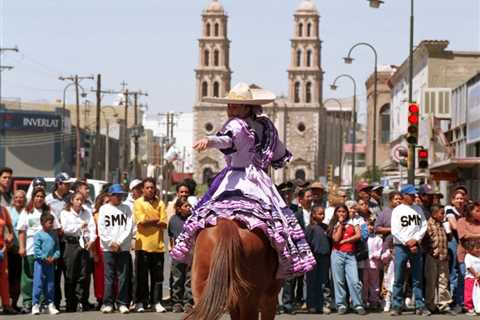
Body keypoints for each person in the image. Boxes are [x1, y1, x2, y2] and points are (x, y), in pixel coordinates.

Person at [171, 83, 315, 281]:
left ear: (247, 107)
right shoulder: (266, 127)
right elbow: (280, 154)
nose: (230, 109)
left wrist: (210, 140)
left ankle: (194, 255)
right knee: (278, 218)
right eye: (230, 105)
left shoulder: (236, 125)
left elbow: (227, 140)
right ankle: (284, 259)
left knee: (204, 213)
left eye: (235, 106)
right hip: (260, 181)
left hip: (235, 178)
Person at [17, 188, 60, 314]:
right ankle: (28, 302)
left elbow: (56, 229)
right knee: (29, 279)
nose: (39, 198)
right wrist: (21, 247)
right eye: (37, 196)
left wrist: (54, 252)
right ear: (33, 197)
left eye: (42, 196)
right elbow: (21, 230)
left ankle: (43, 303)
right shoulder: (27, 211)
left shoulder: (48, 211)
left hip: (48, 253)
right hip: (31, 249)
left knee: (46, 280)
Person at [390, 184, 428, 316]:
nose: (413, 196)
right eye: (411, 194)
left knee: (417, 277)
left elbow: (423, 226)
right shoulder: (397, 210)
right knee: (399, 277)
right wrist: (408, 242)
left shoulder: (418, 209)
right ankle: (397, 305)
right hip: (401, 246)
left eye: (414, 194)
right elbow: (395, 230)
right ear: (404, 195)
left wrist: (416, 240)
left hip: (416, 245)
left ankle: (419, 305)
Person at [133, 178, 168, 313]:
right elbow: (141, 222)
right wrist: (155, 220)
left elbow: (164, 223)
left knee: (157, 277)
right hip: (142, 246)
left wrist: (150, 220)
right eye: (147, 187)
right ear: (143, 189)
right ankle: (140, 302)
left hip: (158, 246)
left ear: (155, 189)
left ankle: (156, 302)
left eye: (152, 187)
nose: (150, 190)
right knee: (141, 276)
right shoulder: (138, 203)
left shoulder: (160, 203)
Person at [98, 184, 133, 314]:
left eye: (121, 195)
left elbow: (129, 227)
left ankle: (122, 303)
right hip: (108, 248)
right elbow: (101, 229)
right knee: (109, 277)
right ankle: (108, 303)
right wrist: (111, 243)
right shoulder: (103, 209)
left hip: (123, 247)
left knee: (123, 276)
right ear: (110, 196)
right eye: (117, 195)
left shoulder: (127, 209)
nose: (119, 197)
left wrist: (119, 242)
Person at [60, 192, 96, 312]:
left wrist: (92, 240)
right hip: (71, 244)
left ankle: (82, 301)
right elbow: (66, 229)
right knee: (70, 274)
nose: (80, 202)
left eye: (82, 200)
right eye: (77, 199)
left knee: (83, 274)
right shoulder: (65, 213)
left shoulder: (87, 213)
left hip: (84, 244)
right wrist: (80, 226)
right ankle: (71, 302)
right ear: (72, 200)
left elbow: (92, 228)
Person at [329, 205, 366, 315]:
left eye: (344, 211)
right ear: (336, 213)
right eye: (339, 211)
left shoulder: (353, 221)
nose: (341, 213)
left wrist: (346, 241)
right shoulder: (334, 224)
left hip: (350, 255)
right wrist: (340, 224)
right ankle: (341, 305)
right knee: (339, 281)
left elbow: (358, 235)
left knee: (355, 281)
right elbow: (335, 239)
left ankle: (358, 304)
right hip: (337, 254)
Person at [46, 172, 75, 309]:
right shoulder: (48, 200)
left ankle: (71, 302)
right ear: (59, 184)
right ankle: (55, 302)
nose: (69, 185)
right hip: (54, 241)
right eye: (66, 183)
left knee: (69, 273)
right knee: (55, 274)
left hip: (68, 241)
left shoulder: (71, 197)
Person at [421, 205, 453, 314]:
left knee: (443, 280)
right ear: (434, 214)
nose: (443, 215)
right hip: (432, 257)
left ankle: (444, 304)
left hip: (443, 257)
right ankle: (430, 304)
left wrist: (448, 230)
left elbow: (449, 238)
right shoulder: (428, 225)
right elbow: (424, 241)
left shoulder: (442, 224)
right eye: (441, 213)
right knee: (431, 281)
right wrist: (430, 252)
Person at [31, 212, 60, 315]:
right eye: (49, 222)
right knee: (38, 284)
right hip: (40, 263)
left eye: (52, 222)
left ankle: (50, 304)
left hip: (50, 263)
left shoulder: (54, 235)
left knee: (50, 284)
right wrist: (43, 257)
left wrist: (54, 257)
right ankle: (35, 305)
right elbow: (37, 249)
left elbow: (57, 249)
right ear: (42, 223)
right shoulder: (38, 235)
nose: (51, 224)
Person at [168, 198, 193, 313]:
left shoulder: (193, 219)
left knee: (189, 279)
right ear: (178, 208)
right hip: (178, 254)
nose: (189, 208)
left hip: (190, 253)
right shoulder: (173, 220)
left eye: (189, 206)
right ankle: (177, 302)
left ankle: (188, 302)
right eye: (186, 206)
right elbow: (171, 237)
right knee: (177, 279)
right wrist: (173, 250)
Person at [305, 206, 331, 314]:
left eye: (323, 213)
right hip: (313, 257)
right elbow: (307, 242)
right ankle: (312, 305)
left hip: (324, 257)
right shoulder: (310, 227)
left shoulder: (325, 227)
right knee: (312, 281)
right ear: (314, 215)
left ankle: (323, 304)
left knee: (323, 282)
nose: (323, 216)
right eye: (320, 214)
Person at [445, 190, 467, 312]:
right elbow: (454, 226)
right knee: (453, 270)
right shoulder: (449, 209)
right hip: (453, 241)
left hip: (464, 242)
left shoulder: (466, 210)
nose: (460, 201)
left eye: (462, 198)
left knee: (462, 271)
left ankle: (461, 300)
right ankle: (453, 300)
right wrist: (468, 230)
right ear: (453, 200)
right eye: (457, 198)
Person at [456, 201, 480, 314]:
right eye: (477, 211)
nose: (479, 213)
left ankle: (475, 303)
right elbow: (464, 235)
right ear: (470, 212)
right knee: (464, 280)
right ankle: (462, 304)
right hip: (465, 255)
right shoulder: (461, 221)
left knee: (476, 281)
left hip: (478, 257)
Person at [6, 190, 26, 312]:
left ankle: (14, 303)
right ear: (13, 199)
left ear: (25, 199)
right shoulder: (7, 211)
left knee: (19, 279)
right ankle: (6, 303)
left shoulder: (28, 211)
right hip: (9, 249)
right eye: (16, 197)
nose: (19, 199)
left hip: (23, 250)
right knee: (8, 277)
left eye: (21, 197)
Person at [360, 218, 383, 311]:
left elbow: (380, 250)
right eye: (367, 225)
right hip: (364, 265)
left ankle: (374, 300)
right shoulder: (362, 239)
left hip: (374, 265)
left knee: (374, 283)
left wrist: (375, 255)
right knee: (364, 283)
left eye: (371, 225)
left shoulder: (378, 239)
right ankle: (364, 300)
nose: (370, 227)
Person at [92, 193, 110, 310]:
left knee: (111, 275)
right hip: (98, 247)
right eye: (106, 202)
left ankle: (111, 298)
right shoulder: (95, 216)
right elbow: (93, 236)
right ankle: (100, 298)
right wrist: (94, 253)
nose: (109, 204)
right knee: (99, 275)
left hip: (110, 246)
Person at [0, 199, 16, 314]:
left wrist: (10, 237)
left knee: (4, 278)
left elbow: (10, 228)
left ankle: (6, 305)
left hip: (2, 250)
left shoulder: (3, 210)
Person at [463, 239, 480, 315]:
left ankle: (477, 306)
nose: (478, 250)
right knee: (469, 293)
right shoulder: (468, 256)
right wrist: (475, 274)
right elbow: (469, 267)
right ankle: (469, 307)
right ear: (470, 249)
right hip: (470, 278)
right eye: (477, 248)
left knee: (477, 293)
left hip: (478, 278)